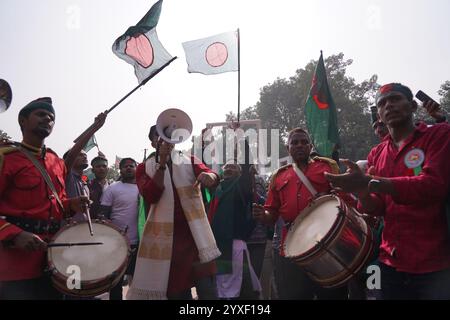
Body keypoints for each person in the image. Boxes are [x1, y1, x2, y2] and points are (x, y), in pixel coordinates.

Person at [325, 83, 450, 300]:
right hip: (389, 261)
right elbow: (377, 207)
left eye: (395, 99)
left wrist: (372, 182)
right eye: (382, 103)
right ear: (379, 116)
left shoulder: (438, 134)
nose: (389, 105)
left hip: (434, 264)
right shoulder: (376, 153)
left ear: (412, 106)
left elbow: (432, 186)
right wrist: (362, 192)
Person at [0, 97, 90, 299]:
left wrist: (72, 204)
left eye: (51, 118)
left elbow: (57, 206)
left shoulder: (57, 162)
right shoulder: (7, 158)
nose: (47, 120)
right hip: (17, 263)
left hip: (55, 260)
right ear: (23, 121)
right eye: (41, 114)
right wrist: (14, 234)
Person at [252, 128, 348, 300]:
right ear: (287, 147)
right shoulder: (278, 176)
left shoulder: (327, 167)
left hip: (325, 244)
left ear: (311, 146)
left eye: (304, 142)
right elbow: (271, 214)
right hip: (291, 247)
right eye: (294, 143)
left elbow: (343, 200)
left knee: (332, 295)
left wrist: (327, 200)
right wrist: (262, 214)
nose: (299, 145)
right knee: (293, 295)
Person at [127, 127, 221, 300]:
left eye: (169, 137)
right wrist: (162, 164)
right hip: (166, 244)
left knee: (208, 292)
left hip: (195, 240)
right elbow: (151, 195)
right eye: (160, 137)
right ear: (153, 143)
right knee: (178, 294)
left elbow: (211, 174)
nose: (165, 141)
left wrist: (211, 177)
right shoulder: (143, 168)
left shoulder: (190, 161)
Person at [208, 153, 261, 299]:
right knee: (220, 288)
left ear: (240, 173)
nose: (228, 169)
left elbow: (245, 166)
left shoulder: (241, 187)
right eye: (226, 166)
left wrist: (241, 136)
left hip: (235, 245)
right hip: (216, 246)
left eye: (233, 167)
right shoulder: (216, 189)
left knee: (239, 289)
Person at [99, 158, 139, 300]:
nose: (128, 168)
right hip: (117, 243)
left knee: (139, 281)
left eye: (131, 166)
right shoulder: (113, 188)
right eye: (125, 166)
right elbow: (103, 214)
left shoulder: (144, 188)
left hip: (139, 242)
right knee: (116, 283)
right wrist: (114, 232)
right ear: (120, 170)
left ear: (136, 168)